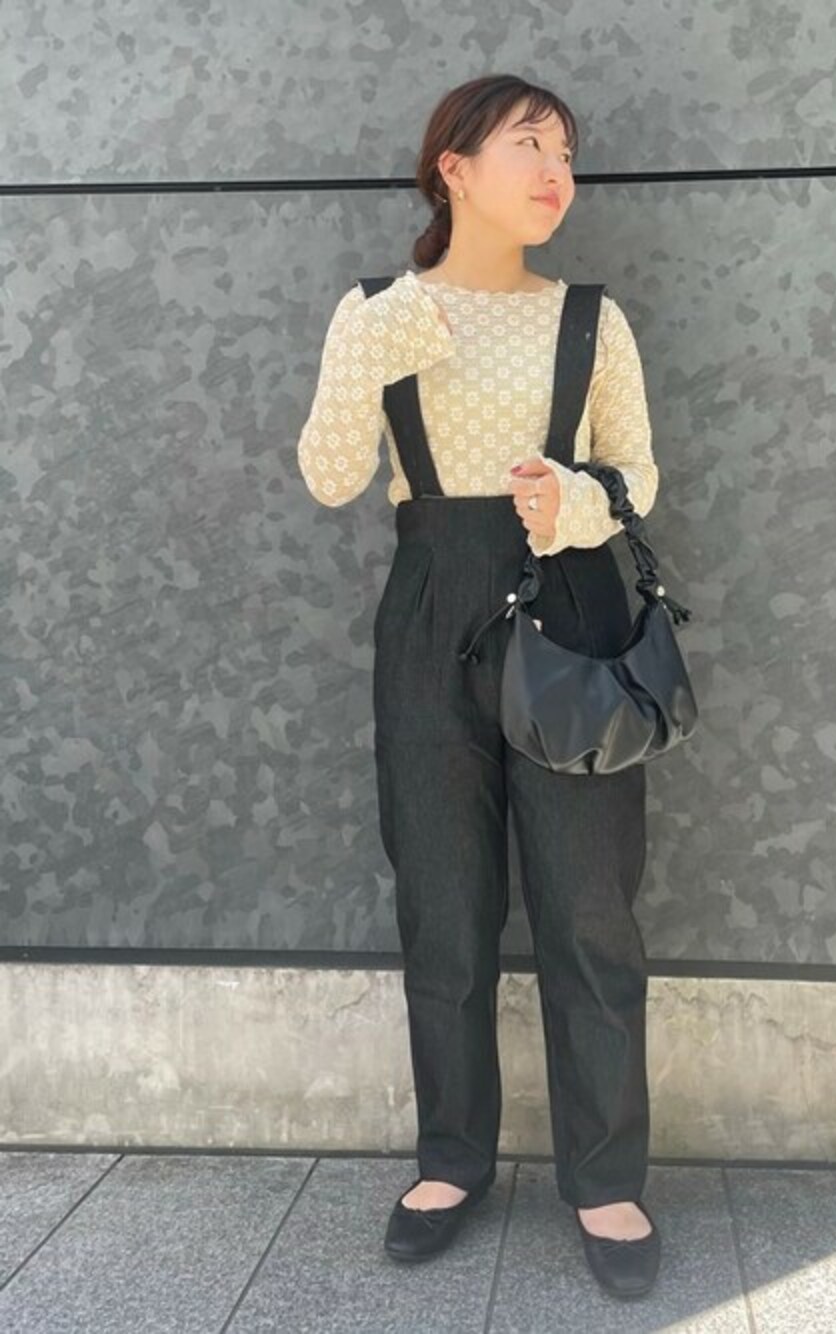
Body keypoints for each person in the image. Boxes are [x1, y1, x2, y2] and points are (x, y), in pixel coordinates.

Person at [297, 73, 662, 1300]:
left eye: (566, 151)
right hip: (429, 614)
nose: (556, 171)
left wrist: (580, 500)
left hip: (570, 612)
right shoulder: (377, 312)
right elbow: (330, 477)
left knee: (589, 903)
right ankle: (452, 1156)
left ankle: (605, 1175)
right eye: (528, 145)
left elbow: (640, 475)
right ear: (451, 167)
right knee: (442, 901)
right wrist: (365, 350)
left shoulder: (589, 319)